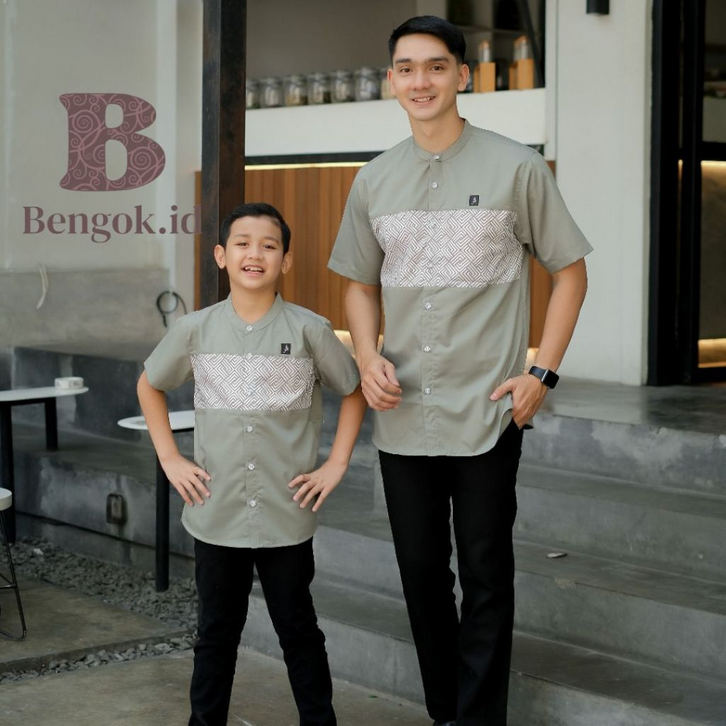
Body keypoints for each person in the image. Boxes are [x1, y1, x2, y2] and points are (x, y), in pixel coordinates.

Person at [328, 15, 591, 726]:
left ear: (462, 76)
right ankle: (446, 711)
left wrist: (543, 374)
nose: (421, 81)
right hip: (401, 411)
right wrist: (367, 354)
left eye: (436, 66)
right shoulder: (374, 179)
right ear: (392, 81)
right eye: (407, 68)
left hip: (490, 408)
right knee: (420, 574)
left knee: (485, 573)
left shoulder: (517, 168)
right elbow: (357, 283)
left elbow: (570, 272)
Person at [138, 202, 366, 726]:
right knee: (216, 632)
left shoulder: (310, 330)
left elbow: (353, 390)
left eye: (269, 245)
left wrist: (336, 463)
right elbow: (149, 384)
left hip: (287, 513)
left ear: (286, 260)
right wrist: (170, 457)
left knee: (298, 629)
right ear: (222, 256)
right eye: (242, 243)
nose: (255, 254)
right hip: (216, 511)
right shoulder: (194, 330)